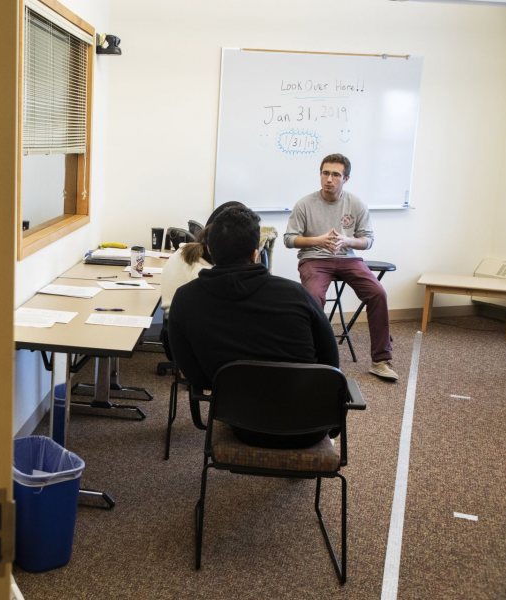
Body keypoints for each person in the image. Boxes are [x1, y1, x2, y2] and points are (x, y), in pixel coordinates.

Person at [169, 205, 339, 448]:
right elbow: (330, 362)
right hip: (309, 426)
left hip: (242, 424)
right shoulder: (296, 295)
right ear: (255, 253)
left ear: (210, 253)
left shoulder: (185, 299)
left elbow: (195, 376)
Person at [283, 153, 397, 381]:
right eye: (325, 173)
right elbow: (289, 239)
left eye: (336, 175)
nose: (329, 179)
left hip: (348, 258)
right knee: (313, 296)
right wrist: (318, 240)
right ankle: (312, 358)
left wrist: (346, 241)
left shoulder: (356, 203)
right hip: (314, 258)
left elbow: (368, 240)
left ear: (346, 179)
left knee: (377, 293)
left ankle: (380, 360)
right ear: (320, 174)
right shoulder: (305, 204)